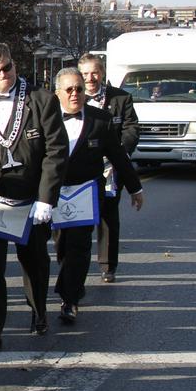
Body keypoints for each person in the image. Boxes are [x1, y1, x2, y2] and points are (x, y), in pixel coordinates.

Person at [0, 43, 68, 353]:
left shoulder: (41, 100)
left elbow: (56, 150)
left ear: (15, 64)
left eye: (7, 68)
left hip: (30, 197)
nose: (3, 76)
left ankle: (38, 311)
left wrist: (46, 198)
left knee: (35, 261)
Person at [52, 67, 144, 322]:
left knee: (79, 246)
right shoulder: (46, 117)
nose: (75, 94)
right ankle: (70, 286)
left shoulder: (100, 119)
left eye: (79, 89)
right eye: (69, 89)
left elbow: (118, 155)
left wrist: (135, 188)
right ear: (58, 92)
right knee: (62, 245)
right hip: (55, 192)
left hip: (86, 191)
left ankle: (69, 300)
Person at [78, 53, 139, 283]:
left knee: (108, 216)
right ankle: (75, 265)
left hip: (111, 168)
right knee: (78, 218)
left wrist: (119, 153)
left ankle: (107, 265)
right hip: (81, 168)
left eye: (94, 72)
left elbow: (131, 128)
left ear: (102, 73)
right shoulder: (73, 97)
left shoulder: (121, 98)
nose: (90, 78)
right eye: (85, 73)